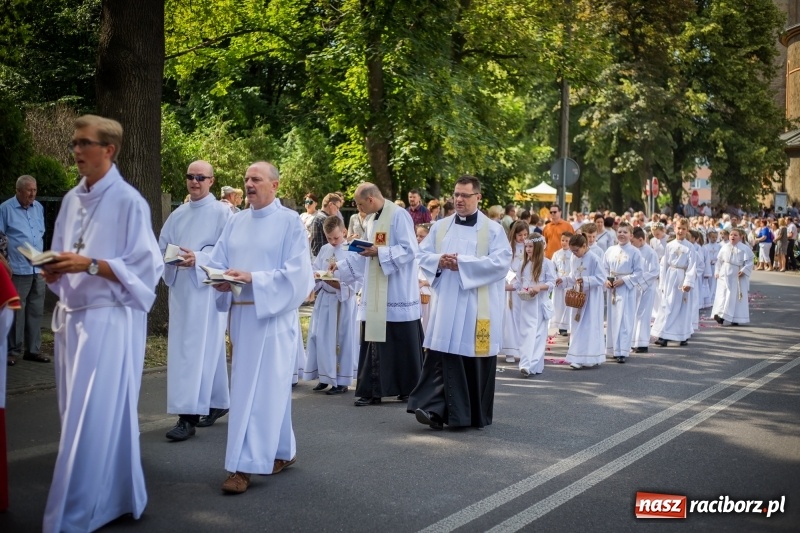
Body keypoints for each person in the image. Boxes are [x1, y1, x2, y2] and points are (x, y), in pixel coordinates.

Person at [40, 115, 163, 531]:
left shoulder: (129, 201)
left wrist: (90, 265)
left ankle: (70, 518)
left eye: (83, 143)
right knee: (84, 414)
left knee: (89, 418)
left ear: (108, 149)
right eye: (74, 143)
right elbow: (62, 252)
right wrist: (54, 270)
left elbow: (148, 267)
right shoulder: (73, 198)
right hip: (71, 320)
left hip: (109, 321)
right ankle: (119, 496)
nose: (76, 151)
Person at [197, 161, 313, 494]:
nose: (249, 184)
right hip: (242, 318)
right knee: (259, 391)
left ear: (274, 185)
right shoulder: (236, 222)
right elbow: (217, 262)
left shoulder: (290, 223)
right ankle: (282, 451)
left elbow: (299, 275)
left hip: (273, 321)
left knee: (260, 394)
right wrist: (218, 280)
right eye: (246, 179)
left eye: (256, 179)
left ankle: (243, 467)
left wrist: (254, 278)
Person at [408, 175, 511, 429]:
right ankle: (433, 411)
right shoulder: (441, 226)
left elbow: (501, 264)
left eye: (465, 195)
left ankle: (470, 415)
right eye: (456, 194)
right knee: (441, 356)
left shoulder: (493, 230)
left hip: (476, 306)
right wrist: (439, 261)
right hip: (446, 304)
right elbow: (422, 253)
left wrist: (462, 263)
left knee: (470, 356)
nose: (459, 200)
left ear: (478, 197)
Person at [158, 160, 232, 441]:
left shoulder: (222, 213)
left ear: (212, 180)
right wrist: (172, 257)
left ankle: (186, 417)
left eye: (201, 177)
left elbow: (227, 251)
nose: (195, 181)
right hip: (181, 293)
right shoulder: (178, 214)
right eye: (190, 176)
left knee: (194, 352)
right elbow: (163, 245)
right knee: (199, 350)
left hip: (207, 291)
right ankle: (217, 402)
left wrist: (198, 258)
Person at [333, 183, 423, 406]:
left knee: (401, 341)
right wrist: (342, 266)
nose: (360, 209)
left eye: (361, 204)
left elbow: (410, 250)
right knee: (373, 340)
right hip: (375, 292)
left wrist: (379, 252)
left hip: (397, 291)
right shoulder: (371, 220)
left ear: (371, 199)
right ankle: (372, 389)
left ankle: (407, 389)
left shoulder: (399, 215)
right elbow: (366, 251)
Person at [304, 216, 360, 395]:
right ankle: (324, 377)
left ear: (344, 232)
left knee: (341, 339)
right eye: (329, 238)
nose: (333, 241)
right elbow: (315, 268)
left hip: (342, 301)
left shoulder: (352, 252)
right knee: (320, 337)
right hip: (325, 300)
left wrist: (339, 285)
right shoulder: (324, 249)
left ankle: (341, 380)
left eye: (336, 238)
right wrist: (315, 279)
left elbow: (359, 279)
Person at [0, 175, 49, 366]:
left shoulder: (39, 208)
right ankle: (12, 351)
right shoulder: (5, 209)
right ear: (18, 190)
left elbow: (40, 233)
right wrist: (5, 263)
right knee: (17, 310)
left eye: (35, 190)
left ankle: (33, 350)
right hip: (18, 267)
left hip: (38, 267)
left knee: (36, 310)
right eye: (29, 190)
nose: (33, 194)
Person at [556, 234, 606, 369]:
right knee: (577, 326)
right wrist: (565, 280)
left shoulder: (594, 259)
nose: (574, 253)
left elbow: (602, 278)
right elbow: (573, 275)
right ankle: (577, 356)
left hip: (592, 298)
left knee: (589, 326)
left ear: (585, 246)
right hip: (578, 296)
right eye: (572, 251)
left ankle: (591, 357)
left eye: (576, 250)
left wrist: (587, 281)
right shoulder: (574, 257)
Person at [651, 219, 697, 347]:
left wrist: (688, 282)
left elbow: (692, 266)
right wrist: (663, 283)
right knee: (667, 306)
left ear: (687, 230)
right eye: (678, 228)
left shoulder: (690, 247)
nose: (680, 231)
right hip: (671, 277)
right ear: (674, 229)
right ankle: (663, 335)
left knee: (681, 307)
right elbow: (664, 265)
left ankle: (683, 335)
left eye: (683, 228)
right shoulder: (669, 245)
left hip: (682, 278)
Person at [515, 234, 555, 376]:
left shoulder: (547, 263)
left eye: (530, 246)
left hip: (540, 304)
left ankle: (530, 365)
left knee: (538, 335)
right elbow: (518, 283)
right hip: (526, 304)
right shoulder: (523, 264)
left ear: (537, 247)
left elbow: (552, 282)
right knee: (526, 334)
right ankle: (527, 364)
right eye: (526, 246)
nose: (527, 249)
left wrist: (538, 287)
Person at [603, 223, 644, 363]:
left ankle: (622, 351)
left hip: (626, 289)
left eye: (625, 232)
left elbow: (639, 272)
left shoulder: (635, 252)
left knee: (625, 319)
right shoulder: (610, 250)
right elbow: (604, 268)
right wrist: (606, 281)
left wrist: (624, 280)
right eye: (619, 231)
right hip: (613, 288)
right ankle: (613, 348)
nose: (621, 234)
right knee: (613, 319)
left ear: (631, 235)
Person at [712, 227, 754, 326]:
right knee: (723, 294)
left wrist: (744, 270)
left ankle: (735, 317)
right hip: (724, 273)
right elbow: (719, 261)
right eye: (731, 235)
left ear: (740, 237)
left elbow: (750, 261)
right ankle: (720, 315)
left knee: (734, 296)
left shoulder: (744, 248)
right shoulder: (724, 247)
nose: (733, 236)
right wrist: (717, 271)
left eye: (735, 235)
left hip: (737, 274)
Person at [500, 221, 529, 364]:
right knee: (510, 317)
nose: (523, 238)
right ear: (514, 234)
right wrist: (513, 278)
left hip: (525, 285)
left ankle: (523, 349)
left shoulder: (529, 247)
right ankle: (510, 350)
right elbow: (504, 266)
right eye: (520, 235)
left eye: (525, 234)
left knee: (523, 318)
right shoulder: (508, 248)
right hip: (511, 286)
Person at [630, 227, 659, 353]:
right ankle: (633, 341)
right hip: (635, 287)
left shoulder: (650, 253)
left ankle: (642, 343)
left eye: (633, 241)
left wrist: (639, 281)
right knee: (634, 313)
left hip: (646, 287)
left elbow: (654, 272)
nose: (631, 244)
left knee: (643, 314)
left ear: (641, 239)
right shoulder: (633, 251)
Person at [551, 231, 573, 336]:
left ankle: (566, 326)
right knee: (558, 305)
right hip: (558, 283)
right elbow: (552, 268)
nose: (564, 243)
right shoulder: (556, 254)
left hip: (569, 283)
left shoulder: (574, 254)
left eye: (567, 241)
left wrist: (567, 279)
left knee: (567, 305)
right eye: (562, 240)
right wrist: (556, 278)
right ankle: (560, 326)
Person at [309, 193, 342, 258]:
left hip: (319, 258)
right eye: (337, 207)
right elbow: (337, 243)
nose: (338, 211)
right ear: (331, 204)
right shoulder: (324, 219)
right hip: (324, 259)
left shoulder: (319, 217)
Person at [416, 224, 432, 332]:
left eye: (421, 236)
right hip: (415, 291)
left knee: (427, 322)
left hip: (428, 293)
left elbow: (439, 276)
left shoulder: (433, 254)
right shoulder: (414, 251)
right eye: (417, 235)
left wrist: (424, 283)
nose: (418, 239)